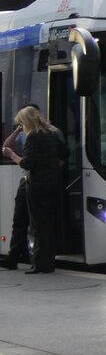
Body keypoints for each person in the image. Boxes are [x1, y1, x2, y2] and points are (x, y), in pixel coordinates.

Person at [3, 105, 67, 273]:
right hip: (50, 182)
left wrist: (12, 155)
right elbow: (65, 154)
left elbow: (27, 163)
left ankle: (40, 264)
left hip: (36, 182)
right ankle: (46, 262)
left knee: (37, 224)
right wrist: (50, 170)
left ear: (26, 121)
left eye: (21, 123)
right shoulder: (51, 133)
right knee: (45, 222)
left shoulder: (33, 136)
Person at [0, 104, 38, 269]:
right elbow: (5, 147)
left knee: (35, 220)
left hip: (34, 178)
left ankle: (33, 257)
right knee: (19, 217)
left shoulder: (38, 135)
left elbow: (26, 161)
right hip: (26, 178)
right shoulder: (24, 134)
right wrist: (16, 131)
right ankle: (15, 255)